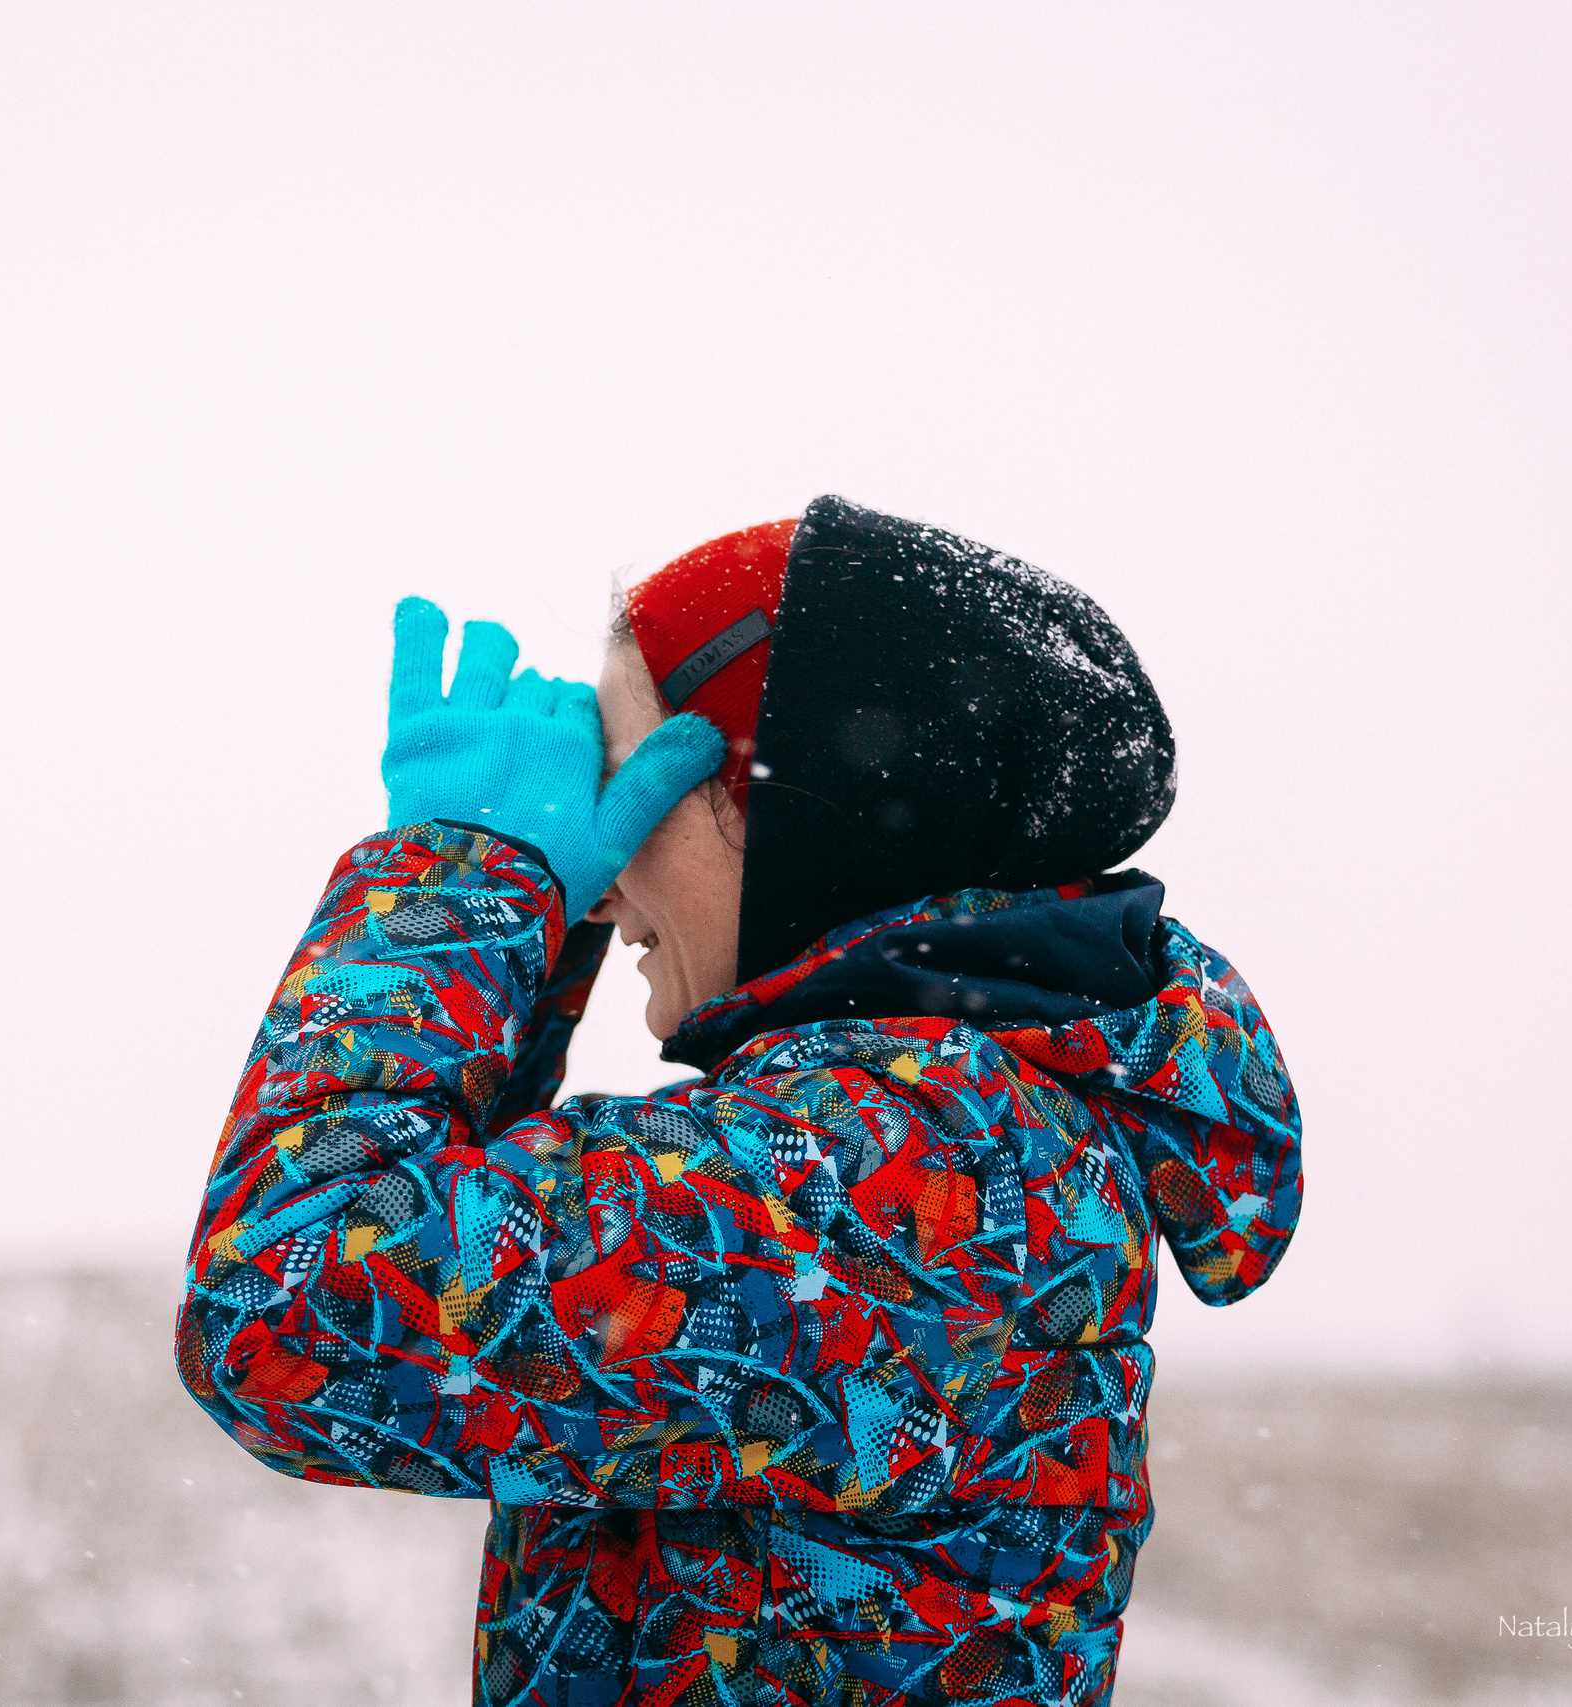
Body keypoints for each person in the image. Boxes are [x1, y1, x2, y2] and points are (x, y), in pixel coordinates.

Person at [177, 495, 1303, 1706]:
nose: (599, 887)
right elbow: (463, 1257)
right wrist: (538, 922)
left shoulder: (902, 1172)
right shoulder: (953, 1137)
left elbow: (289, 1307)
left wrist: (466, 872)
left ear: (790, 810)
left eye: (626, 781)